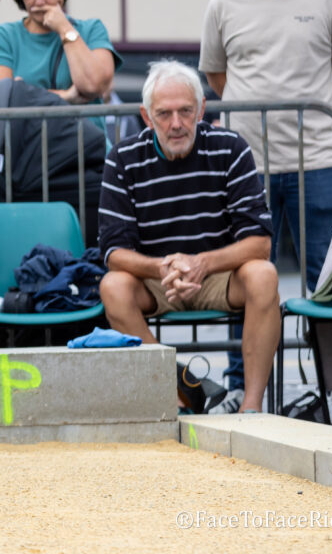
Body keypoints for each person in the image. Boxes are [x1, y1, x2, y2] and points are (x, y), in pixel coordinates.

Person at [200, 0, 332, 406]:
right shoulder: (223, 2)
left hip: (317, 159)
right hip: (246, 168)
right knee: (242, 281)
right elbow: (217, 76)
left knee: (328, 283)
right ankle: (237, 390)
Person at [98, 61, 279, 414]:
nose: (176, 124)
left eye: (185, 111)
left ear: (201, 110)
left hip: (219, 275)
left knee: (264, 275)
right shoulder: (122, 158)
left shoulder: (230, 147)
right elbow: (113, 252)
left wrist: (201, 264)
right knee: (113, 286)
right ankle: (175, 394)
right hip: (158, 279)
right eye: (164, 114)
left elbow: (260, 243)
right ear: (146, 116)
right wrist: (163, 267)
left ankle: (252, 409)